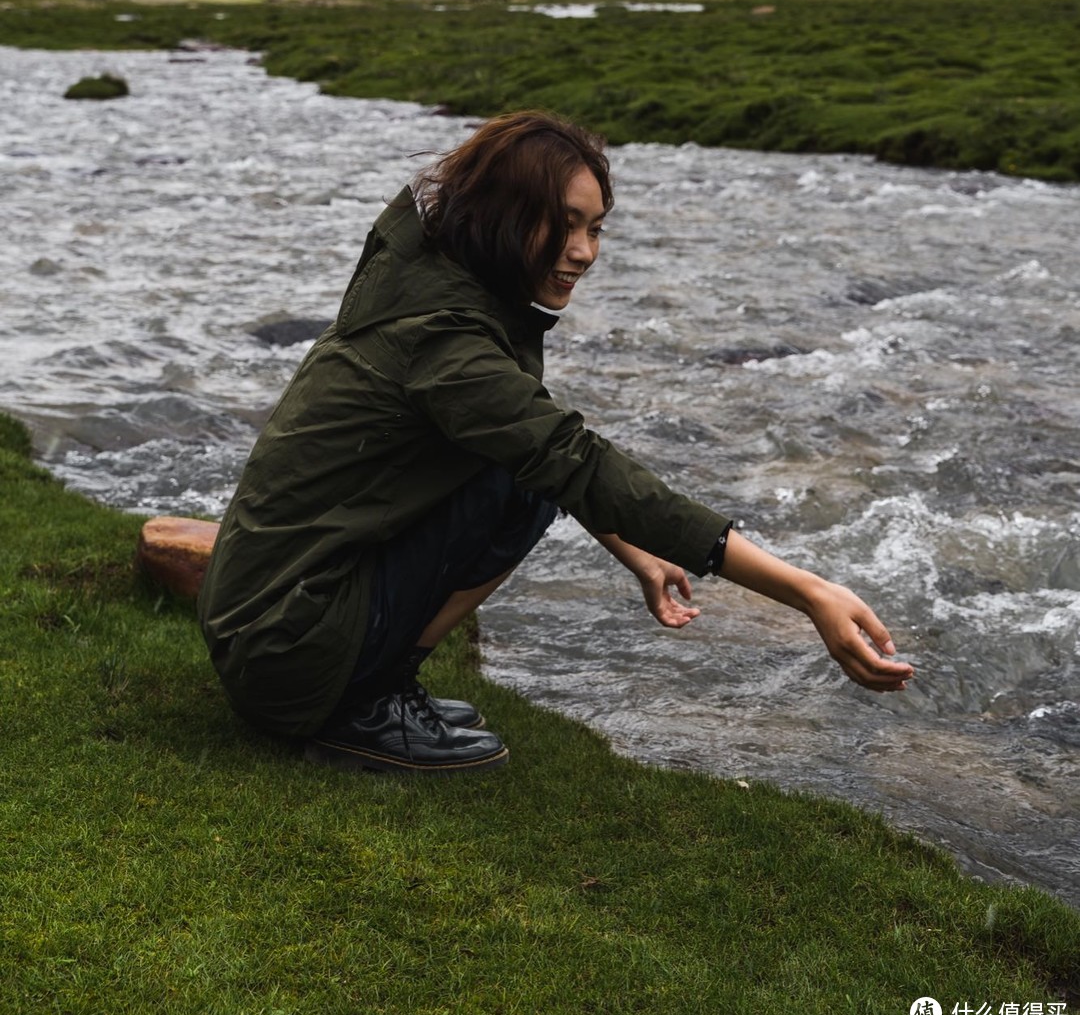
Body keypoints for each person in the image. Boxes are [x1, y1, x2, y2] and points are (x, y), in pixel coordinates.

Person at [197, 110, 913, 774]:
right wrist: (810, 592)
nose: (583, 251)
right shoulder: (443, 336)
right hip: (283, 653)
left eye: (596, 228)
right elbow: (570, 461)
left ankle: (369, 685)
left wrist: (635, 552)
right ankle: (362, 704)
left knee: (517, 475)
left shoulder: (434, 279)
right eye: (562, 224)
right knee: (518, 486)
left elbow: (532, 441)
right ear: (502, 214)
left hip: (269, 623)